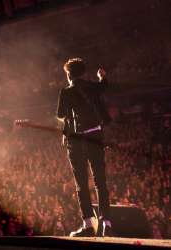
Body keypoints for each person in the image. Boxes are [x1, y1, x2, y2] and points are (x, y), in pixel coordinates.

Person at [56, 58, 113, 237]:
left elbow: (60, 115)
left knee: (82, 184)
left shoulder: (66, 91)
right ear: (83, 73)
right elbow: (103, 86)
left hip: (78, 140)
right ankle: (106, 223)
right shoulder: (92, 87)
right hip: (95, 136)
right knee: (100, 181)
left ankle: (88, 224)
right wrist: (102, 77)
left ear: (69, 74)